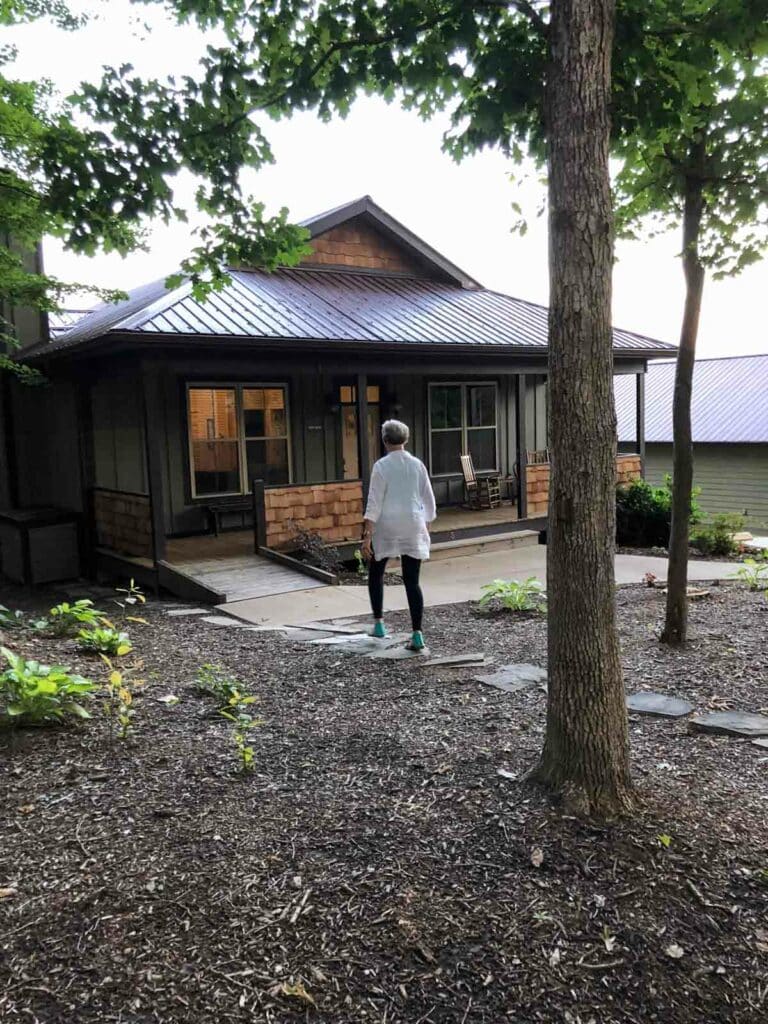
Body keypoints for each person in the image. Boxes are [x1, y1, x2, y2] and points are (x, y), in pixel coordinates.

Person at [361, 419, 436, 651]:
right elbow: (429, 500)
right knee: (412, 581)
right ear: (406, 439)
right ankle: (417, 635)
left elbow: (374, 502)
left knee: (376, 573)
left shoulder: (381, 466)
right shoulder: (417, 465)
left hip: (386, 527)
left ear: (384, 440)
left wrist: (366, 535)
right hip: (413, 525)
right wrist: (426, 525)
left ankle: (379, 624)